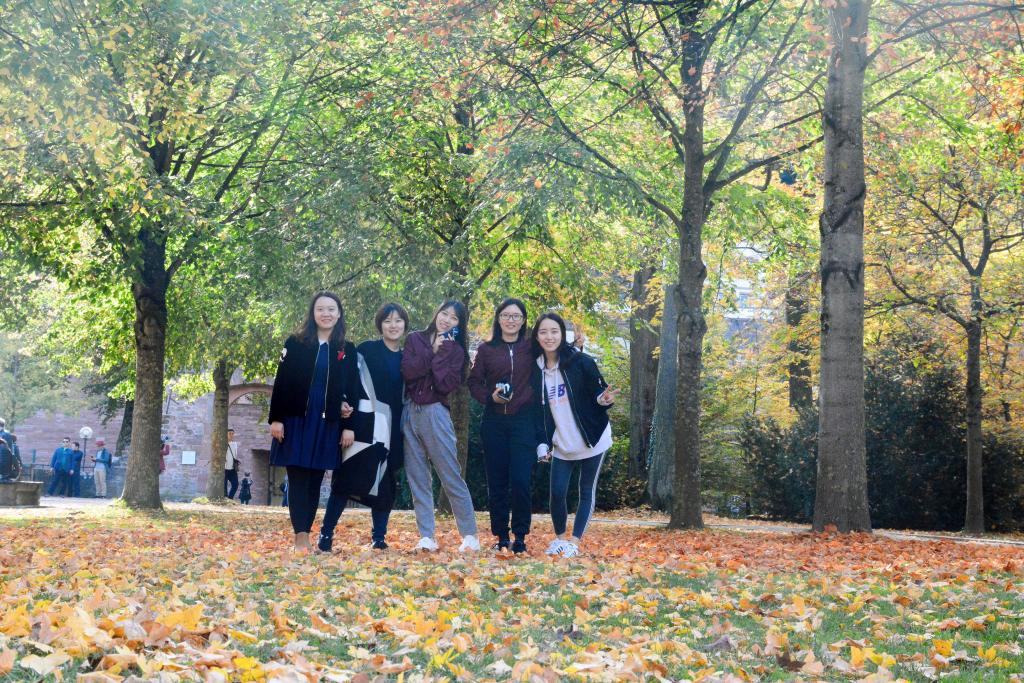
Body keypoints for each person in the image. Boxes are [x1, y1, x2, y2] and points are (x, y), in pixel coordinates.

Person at [268, 291, 358, 553]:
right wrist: (276, 419)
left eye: (331, 309)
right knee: (297, 478)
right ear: (313, 313)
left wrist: (349, 423)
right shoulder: (295, 343)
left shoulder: (347, 349)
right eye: (320, 309)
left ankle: (306, 533)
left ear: (338, 314)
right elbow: (281, 382)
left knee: (315, 480)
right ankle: (300, 538)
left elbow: (352, 388)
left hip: (327, 422)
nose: (326, 314)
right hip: (296, 419)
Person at [320, 303, 409, 552]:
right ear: (380, 324)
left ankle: (379, 538)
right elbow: (348, 383)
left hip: (391, 429)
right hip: (362, 424)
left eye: (398, 320)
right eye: (388, 321)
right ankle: (326, 534)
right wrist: (347, 425)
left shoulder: (408, 358)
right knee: (344, 480)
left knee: (385, 482)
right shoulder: (365, 350)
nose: (393, 325)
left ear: (405, 325)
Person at [531, 313, 618, 559]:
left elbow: (599, 393)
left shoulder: (581, 362)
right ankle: (560, 540)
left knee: (586, 489)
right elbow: (538, 412)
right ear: (536, 337)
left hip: (592, 438)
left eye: (554, 331)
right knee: (557, 492)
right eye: (543, 332)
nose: (549, 337)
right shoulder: (535, 370)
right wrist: (542, 442)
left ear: (562, 334)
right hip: (562, 443)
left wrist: (603, 399)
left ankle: (575, 542)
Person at [401, 300, 479, 553]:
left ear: (459, 324)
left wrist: (440, 351)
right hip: (410, 411)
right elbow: (408, 372)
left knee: (450, 475)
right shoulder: (415, 339)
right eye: (444, 314)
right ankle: (426, 536)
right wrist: (431, 351)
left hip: (436, 412)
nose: (446, 320)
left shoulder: (457, 352)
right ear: (436, 313)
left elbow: (445, 384)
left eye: (454, 318)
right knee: (417, 477)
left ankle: (470, 535)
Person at [468, 298, 537, 554]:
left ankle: (520, 535)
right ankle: (501, 535)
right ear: (498, 319)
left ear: (523, 320)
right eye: (506, 315)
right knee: (496, 482)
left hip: (523, 421)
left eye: (516, 316)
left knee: (520, 481)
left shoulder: (531, 347)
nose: (511, 320)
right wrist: (490, 397)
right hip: (494, 422)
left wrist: (578, 345)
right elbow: (473, 382)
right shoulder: (486, 349)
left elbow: (556, 355)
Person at [224, 428, 240, 499]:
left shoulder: (235, 444)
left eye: (232, 434)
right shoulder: (223, 444)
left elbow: (235, 455)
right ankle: (225, 499)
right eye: (230, 434)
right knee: (224, 486)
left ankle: (230, 498)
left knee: (235, 484)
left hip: (232, 468)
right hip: (224, 468)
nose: (231, 435)